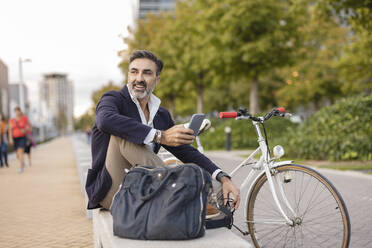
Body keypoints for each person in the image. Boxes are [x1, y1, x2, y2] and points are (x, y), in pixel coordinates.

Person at [85, 50, 240, 215]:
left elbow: (185, 151)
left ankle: (180, 191)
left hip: (146, 189)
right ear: (128, 76)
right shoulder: (113, 99)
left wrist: (223, 177)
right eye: (134, 72)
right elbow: (105, 120)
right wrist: (161, 136)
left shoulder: (161, 114)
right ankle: (180, 192)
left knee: (179, 162)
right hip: (113, 191)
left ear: (157, 79)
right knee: (123, 133)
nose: (139, 78)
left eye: (147, 73)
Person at [8, 107, 32, 173]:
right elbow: (10, 130)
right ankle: (22, 162)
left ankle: (21, 166)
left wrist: (26, 129)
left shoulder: (24, 118)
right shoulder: (12, 120)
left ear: (20, 111)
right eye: (15, 111)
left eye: (18, 111)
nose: (17, 112)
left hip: (22, 137)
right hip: (15, 138)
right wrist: (10, 138)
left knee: (20, 151)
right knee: (17, 154)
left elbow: (30, 126)